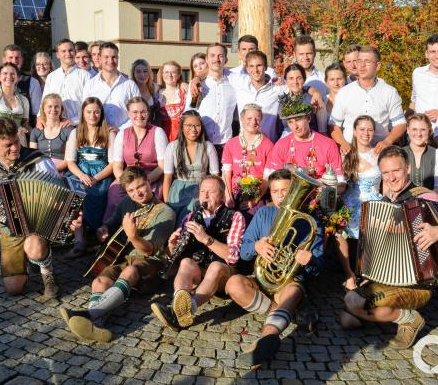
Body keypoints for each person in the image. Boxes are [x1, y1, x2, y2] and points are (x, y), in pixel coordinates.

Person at [341, 146, 438, 348]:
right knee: (348, 319)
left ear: (407, 168)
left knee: (357, 305)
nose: (391, 178)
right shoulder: (382, 204)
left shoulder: (426, 198)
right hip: (387, 279)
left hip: (418, 283)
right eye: (385, 173)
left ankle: (409, 319)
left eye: (396, 171)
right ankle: (390, 312)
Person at [62, 167, 175, 342]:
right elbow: (111, 223)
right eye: (131, 190)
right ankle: (96, 326)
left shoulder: (166, 212)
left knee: (130, 271)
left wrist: (133, 236)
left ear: (148, 182)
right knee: (99, 281)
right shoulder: (126, 204)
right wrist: (103, 230)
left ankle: (88, 314)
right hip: (123, 259)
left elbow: (149, 250)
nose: (137, 193)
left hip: (151, 265)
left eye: (140, 187)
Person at [225, 169, 324, 368]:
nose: (280, 195)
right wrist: (256, 246)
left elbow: (319, 268)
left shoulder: (311, 221)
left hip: (288, 282)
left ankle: (266, 338)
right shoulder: (263, 213)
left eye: (285, 190)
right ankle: (290, 315)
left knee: (293, 291)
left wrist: (309, 260)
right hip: (261, 279)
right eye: (275, 191)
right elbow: (242, 251)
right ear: (269, 193)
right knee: (233, 284)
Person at [0, 117, 81, 298]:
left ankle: (47, 274)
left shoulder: (36, 160)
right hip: (9, 230)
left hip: (37, 227)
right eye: (8, 145)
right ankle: (31, 261)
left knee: (34, 247)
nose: (15, 148)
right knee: (13, 288)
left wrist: (70, 216)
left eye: (17, 141)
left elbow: (61, 191)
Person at [151, 176, 246, 331]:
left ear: (222, 196)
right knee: (185, 263)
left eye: (211, 192)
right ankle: (179, 308)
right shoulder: (191, 216)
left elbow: (233, 256)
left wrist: (206, 239)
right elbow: (174, 255)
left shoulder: (235, 217)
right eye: (202, 191)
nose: (205, 196)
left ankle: (182, 312)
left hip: (224, 276)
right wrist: (172, 246)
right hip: (200, 273)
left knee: (216, 266)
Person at [330, 45, 406, 155]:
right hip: (351, 154)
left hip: (379, 154)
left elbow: (401, 124)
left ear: (378, 65)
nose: (361, 65)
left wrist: (387, 141)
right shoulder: (344, 92)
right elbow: (333, 125)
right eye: (359, 61)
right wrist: (343, 143)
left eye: (367, 61)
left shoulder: (389, 92)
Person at [64, 97, 115, 257]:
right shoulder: (76, 132)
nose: (93, 115)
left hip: (101, 174)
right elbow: (70, 161)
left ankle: (99, 236)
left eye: (96, 112)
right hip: (80, 172)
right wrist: (82, 175)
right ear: (83, 113)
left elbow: (113, 163)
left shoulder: (108, 133)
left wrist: (96, 178)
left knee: (102, 193)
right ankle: (79, 240)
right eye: (89, 112)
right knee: (74, 193)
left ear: (101, 113)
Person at [104, 97, 168, 221]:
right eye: (135, 112)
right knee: (114, 193)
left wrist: (143, 182)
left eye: (143, 111)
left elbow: (162, 166)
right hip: (127, 179)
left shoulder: (158, 132)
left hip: (151, 179)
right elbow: (117, 166)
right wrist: (126, 183)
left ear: (148, 113)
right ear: (128, 113)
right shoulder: (122, 134)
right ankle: (111, 230)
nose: (139, 115)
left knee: (146, 197)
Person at [338, 115, 382, 288]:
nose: (366, 133)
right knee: (337, 230)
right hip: (352, 200)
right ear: (355, 132)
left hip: (374, 200)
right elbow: (341, 184)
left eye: (370, 130)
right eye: (362, 129)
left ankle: (370, 273)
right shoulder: (347, 154)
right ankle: (349, 275)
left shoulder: (378, 153)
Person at [266, 93, 344, 184]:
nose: (295, 127)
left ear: (308, 118)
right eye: (290, 122)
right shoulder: (281, 144)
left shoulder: (328, 144)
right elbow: (273, 180)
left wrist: (324, 190)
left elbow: (340, 181)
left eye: (298, 120)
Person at [163, 110, 219, 224]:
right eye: (189, 125)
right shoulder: (172, 147)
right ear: (182, 127)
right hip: (178, 190)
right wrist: (166, 203)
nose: (193, 129)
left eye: (197, 125)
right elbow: (167, 177)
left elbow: (215, 176)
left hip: (201, 190)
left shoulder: (208, 146)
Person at [221, 104, 274, 214]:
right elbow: (226, 173)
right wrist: (228, 196)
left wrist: (254, 201)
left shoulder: (268, 145)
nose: (253, 122)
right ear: (242, 119)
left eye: (257, 119)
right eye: (249, 118)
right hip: (234, 195)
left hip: (258, 196)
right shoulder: (231, 144)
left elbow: (267, 177)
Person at [184, 44, 237, 153]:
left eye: (220, 55)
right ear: (207, 59)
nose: (216, 59)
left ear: (226, 59)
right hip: (201, 143)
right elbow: (189, 113)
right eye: (212, 55)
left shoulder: (234, 82)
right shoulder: (197, 85)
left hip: (226, 145)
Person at [83, 42, 141, 129]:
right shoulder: (90, 85)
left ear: (118, 58)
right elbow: (85, 112)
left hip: (125, 136)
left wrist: (120, 130)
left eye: (114, 57)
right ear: (100, 59)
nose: (110, 61)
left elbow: (138, 112)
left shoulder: (130, 85)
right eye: (106, 57)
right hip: (98, 136)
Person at [229, 51, 282, 141]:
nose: (256, 70)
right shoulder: (239, 83)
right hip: (244, 144)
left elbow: (296, 85)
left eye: (259, 65)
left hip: (268, 144)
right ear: (247, 69)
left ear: (265, 67)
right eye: (251, 66)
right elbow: (216, 71)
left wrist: (313, 91)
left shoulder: (277, 89)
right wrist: (196, 78)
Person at [0, 44, 42, 126]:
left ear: (22, 60)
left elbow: (37, 113)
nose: (14, 61)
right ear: (4, 59)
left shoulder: (32, 82)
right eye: (10, 57)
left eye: (17, 58)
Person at [42, 39, 88, 126]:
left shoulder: (85, 76)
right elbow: (44, 101)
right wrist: (40, 117)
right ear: (58, 54)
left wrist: (74, 120)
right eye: (63, 51)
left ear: (74, 52)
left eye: (70, 50)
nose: (68, 54)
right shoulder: (51, 77)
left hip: (78, 126)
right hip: (55, 126)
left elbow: (89, 104)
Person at [403, 114, 438, 195]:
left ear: (429, 131)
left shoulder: (437, 154)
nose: (419, 134)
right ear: (408, 130)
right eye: (414, 129)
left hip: (431, 202)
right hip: (404, 202)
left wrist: (425, 201)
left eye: (423, 129)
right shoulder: (400, 153)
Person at [29, 94, 73, 172]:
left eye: (57, 106)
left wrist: (52, 171)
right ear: (44, 109)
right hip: (40, 171)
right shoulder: (36, 131)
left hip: (60, 171)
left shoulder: (68, 130)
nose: (53, 109)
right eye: (49, 106)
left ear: (61, 109)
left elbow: (67, 161)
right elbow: (32, 158)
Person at [279, 63, 326, 136]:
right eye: (291, 78)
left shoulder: (314, 98)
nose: (295, 82)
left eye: (299, 78)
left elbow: (323, 130)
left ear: (304, 79)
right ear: (286, 80)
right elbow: (280, 127)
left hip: (311, 139)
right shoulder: (282, 100)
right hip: (288, 141)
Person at [155, 61, 188, 141]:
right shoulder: (157, 93)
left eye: (173, 72)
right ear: (162, 74)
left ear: (179, 75)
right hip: (162, 137)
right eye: (166, 72)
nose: (169, 75)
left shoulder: (184, 92)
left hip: (181, 136)